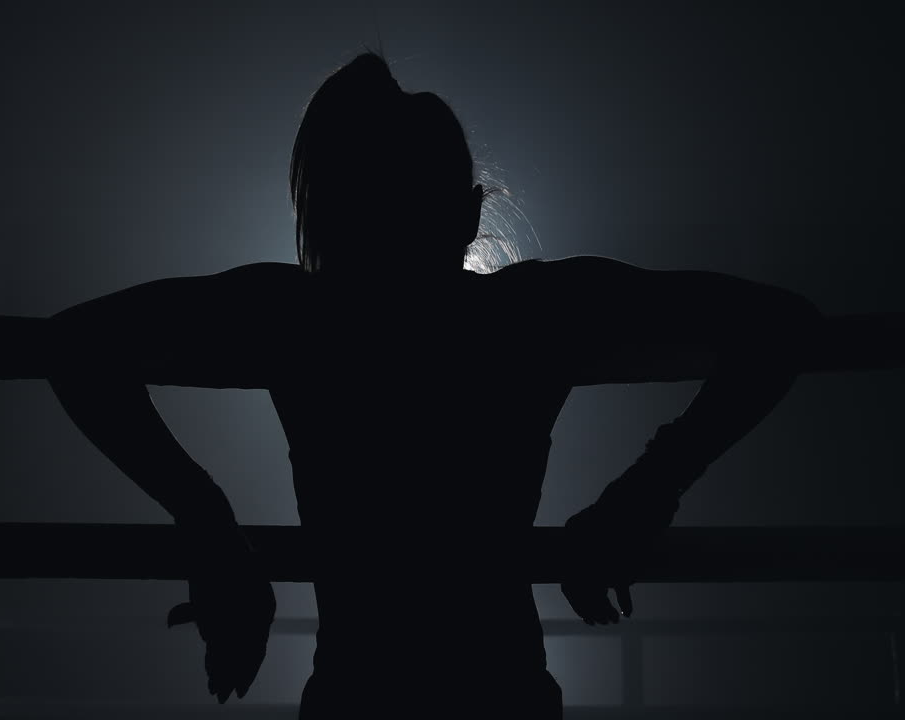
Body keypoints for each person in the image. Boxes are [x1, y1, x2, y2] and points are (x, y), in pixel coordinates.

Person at [45, 52, 821, 718]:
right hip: (503, 695)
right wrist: (650, 488)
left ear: (329, 214)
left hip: (355, 697)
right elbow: (781, 325)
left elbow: (76, 345)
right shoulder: (531, 317)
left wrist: (208, 523)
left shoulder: (299, 319)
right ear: (469, 214)